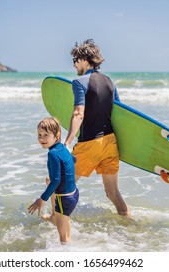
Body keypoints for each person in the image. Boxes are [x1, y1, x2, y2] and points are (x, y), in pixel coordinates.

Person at [64, 39, 130, 217]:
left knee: (62, 184)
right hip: (110, 143)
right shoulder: (110, 82)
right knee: (113, 194)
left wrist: (67, 142)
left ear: (84, 60)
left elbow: (79, 113)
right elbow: (120, 113)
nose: (74, 66)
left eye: (75, 61)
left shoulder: (79, 82)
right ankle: (129, 225)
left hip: (90, 144)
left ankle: (57, 223)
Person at [28, 117, 79, 244]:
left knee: (63, 240)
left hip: (64, 199)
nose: (42, 138)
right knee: (48, 179)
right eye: (39, 134)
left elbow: (56, 180)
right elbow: (73, 160)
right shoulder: (62, 148)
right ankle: (55, 217)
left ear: (57, 135)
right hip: (73, 194)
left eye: (46, 135)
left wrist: (42, 199)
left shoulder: (52, 154)